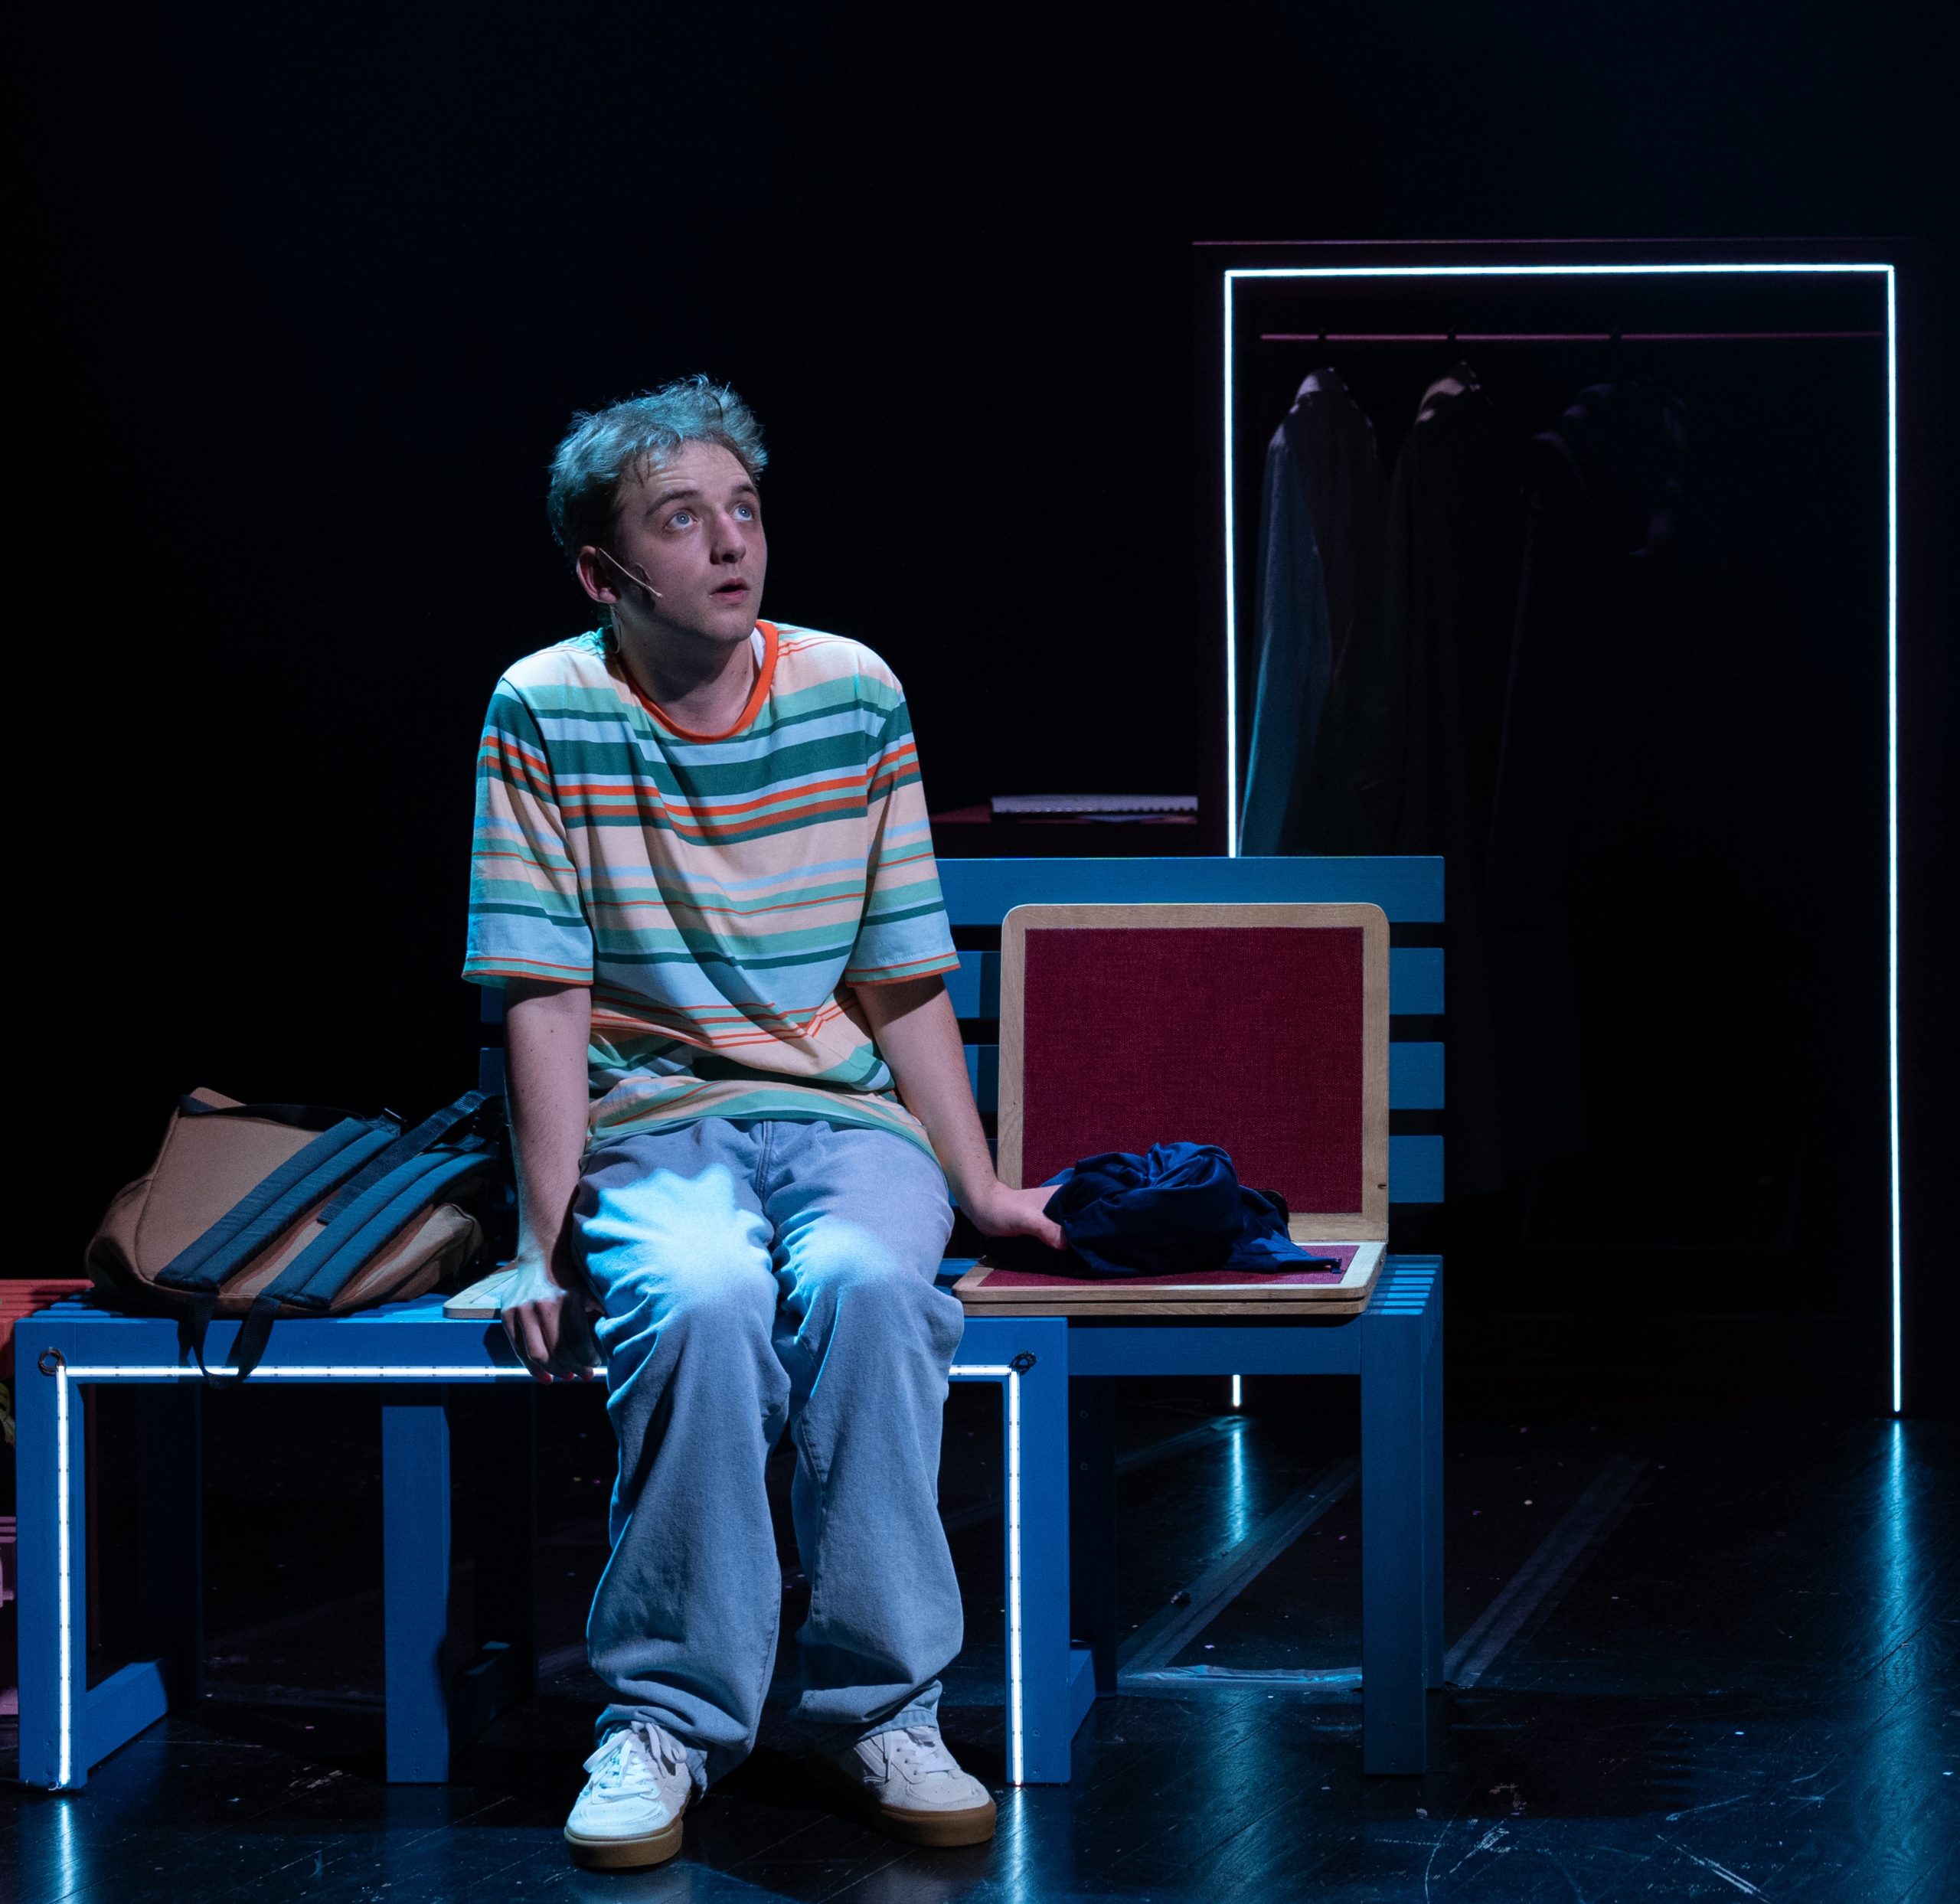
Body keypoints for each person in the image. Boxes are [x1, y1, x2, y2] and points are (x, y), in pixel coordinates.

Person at [465, 376, 1061, 1870]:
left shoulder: (851, 690)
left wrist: (981, 1184)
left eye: (743, 509)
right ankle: (667, 1716)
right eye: (681, 519)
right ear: (603, 572)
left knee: (868, 1282)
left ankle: (881, 1706)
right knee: (702, 1295)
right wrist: (540, 1240)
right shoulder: (545, 708)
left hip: (839, 1113)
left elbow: (902, 975)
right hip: (653, 1115)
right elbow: (540, 991)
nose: (730, 543)